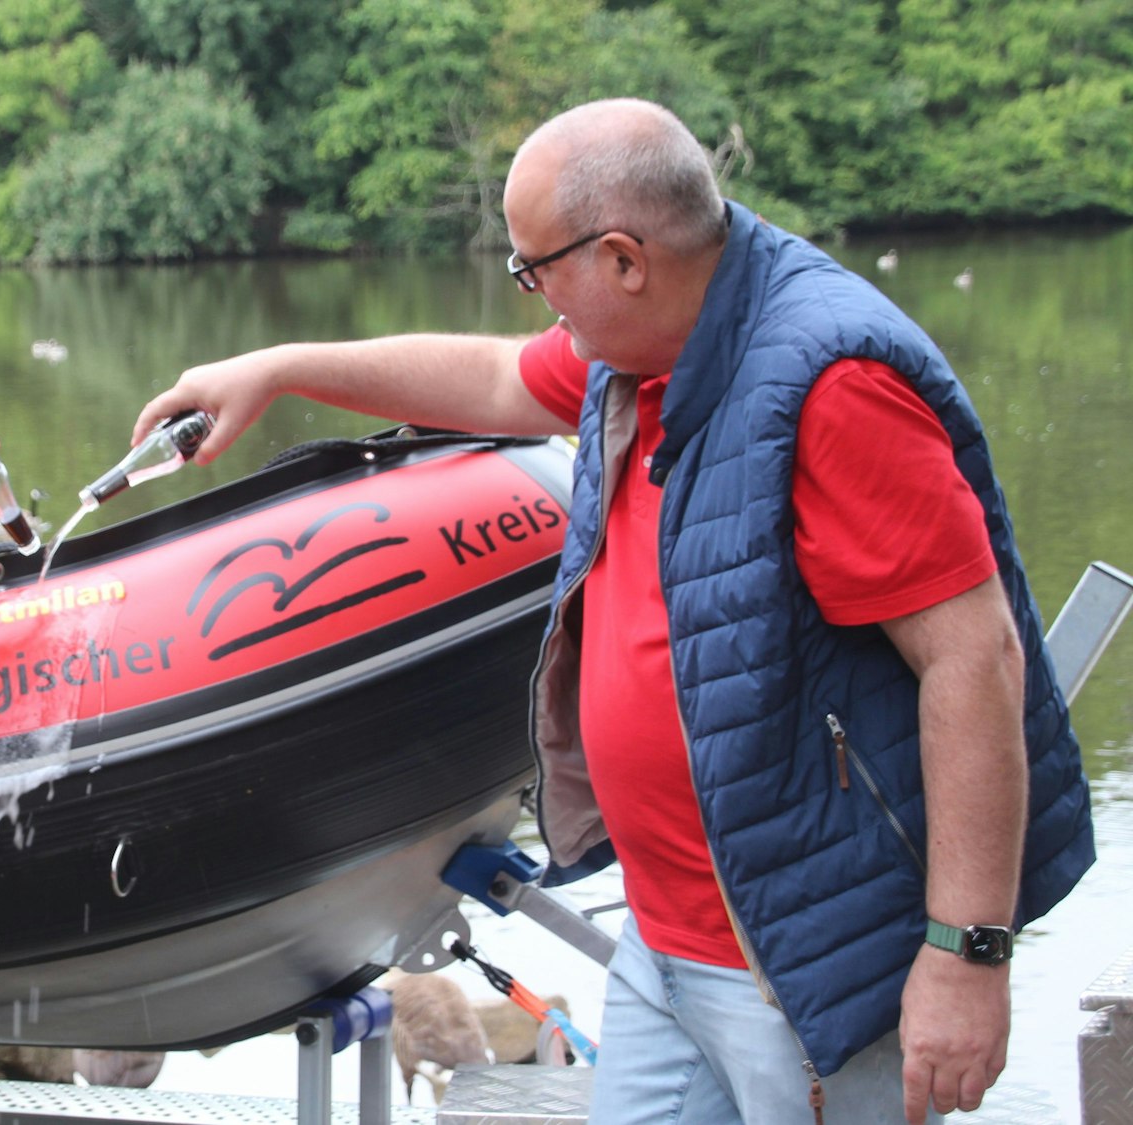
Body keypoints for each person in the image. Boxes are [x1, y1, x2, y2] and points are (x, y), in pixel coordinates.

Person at [133, 99, 1093, 1125]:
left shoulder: (830, 385)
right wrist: (278, 369)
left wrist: (965, 954)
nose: (533, 296)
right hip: (663, 945)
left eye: (532, 268)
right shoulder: (643, 343)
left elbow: (974, 661)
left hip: (803, 969)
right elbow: (499, 376)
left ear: (624, 259)